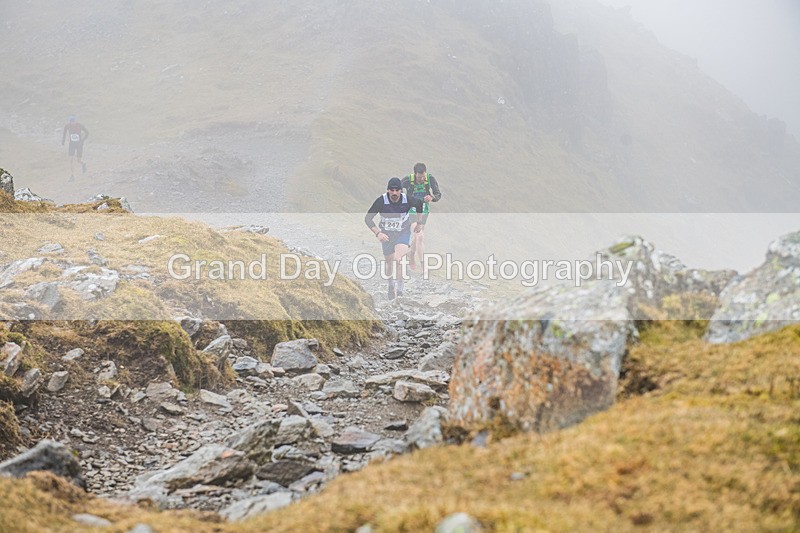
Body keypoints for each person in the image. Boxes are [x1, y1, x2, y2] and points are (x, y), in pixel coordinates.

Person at [364, 177, 425, 300]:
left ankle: (400, 291)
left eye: (397, 190)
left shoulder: (406, 199)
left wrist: (419, 222)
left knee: (399, 260)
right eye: (392, 190)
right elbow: (368, 219)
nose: (394, 193)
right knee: (389, 264)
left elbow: (419, 204)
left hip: (403, 232)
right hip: (386, 235)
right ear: (388, 190)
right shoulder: (381, 201)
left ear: (400, 191)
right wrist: (378, 233)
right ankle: (391, 284)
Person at [401, 162, 442, 274]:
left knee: (417, 236)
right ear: (415, 174)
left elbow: (438, 194)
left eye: (423, 176)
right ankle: (424, 266)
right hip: (412, 211)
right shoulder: (408, 180)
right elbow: (395, 190)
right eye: (419, 177)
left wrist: (432, 198)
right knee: (420, 237)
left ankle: (411, 254)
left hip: (424, 210)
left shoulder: (430, 179)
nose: (422, 179)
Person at [62, 115, 89, 180]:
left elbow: (87, 133)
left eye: (73, 121)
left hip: (79, 144)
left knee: (78, 160)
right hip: (72, 144)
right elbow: (64, 133)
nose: (72, 123)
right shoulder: (67, 126)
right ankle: (72, 176)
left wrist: (82, 141)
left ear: (75, 121)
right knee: (71, 159)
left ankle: (83, 164)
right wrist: (63, 141)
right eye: (71, 121)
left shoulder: (80, 125)